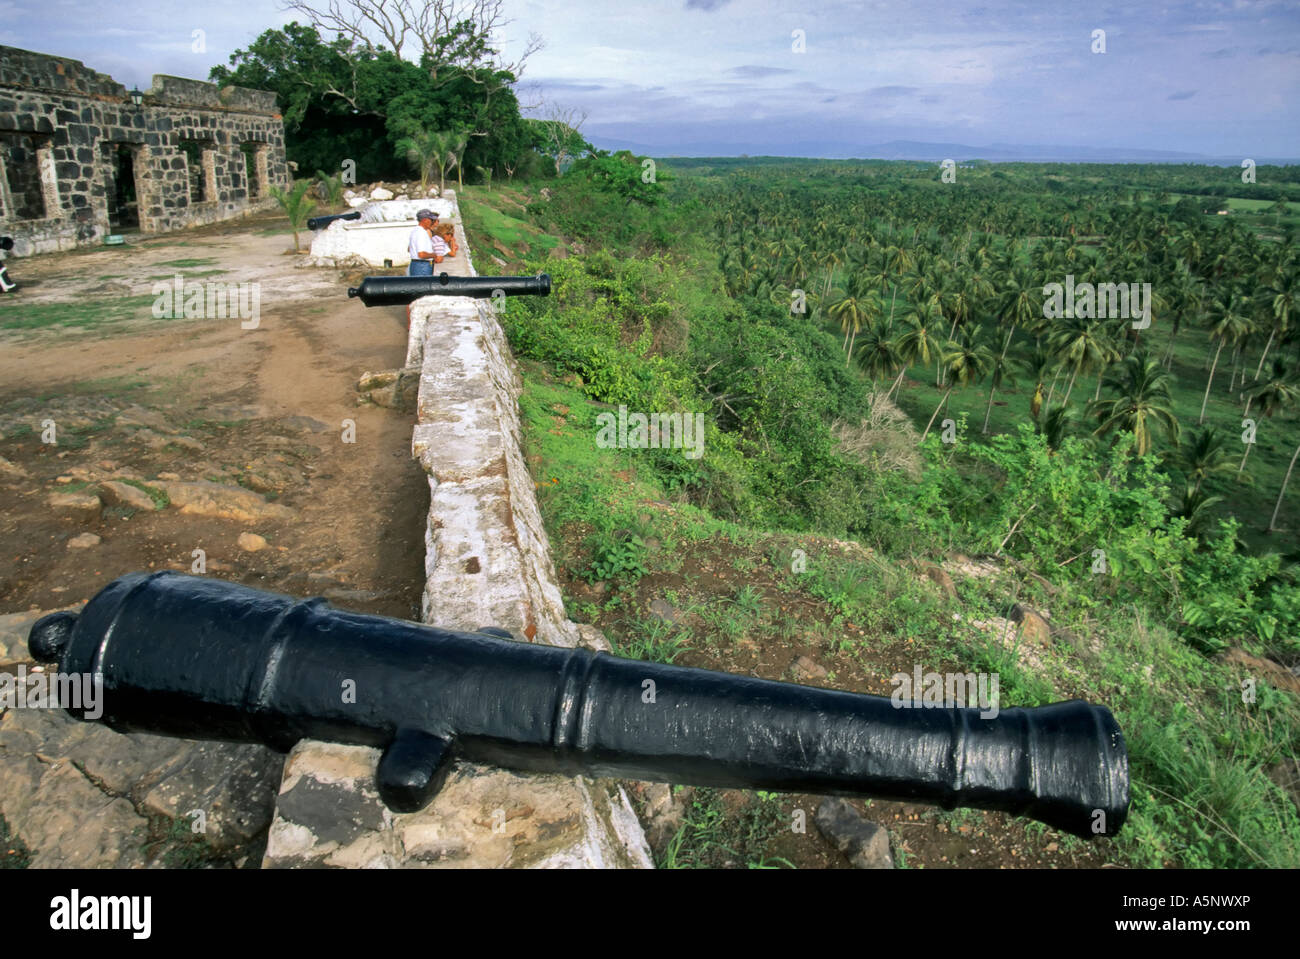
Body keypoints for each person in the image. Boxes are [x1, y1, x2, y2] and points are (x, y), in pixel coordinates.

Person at [406, 210, 442, 276]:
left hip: (417, 265)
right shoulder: (421, 233)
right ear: (425, 220)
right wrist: (434, 255)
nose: (432, 222)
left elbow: (409, 249)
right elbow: (421, 254)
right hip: (422, 266)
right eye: (431, 220)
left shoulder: (415, 231)